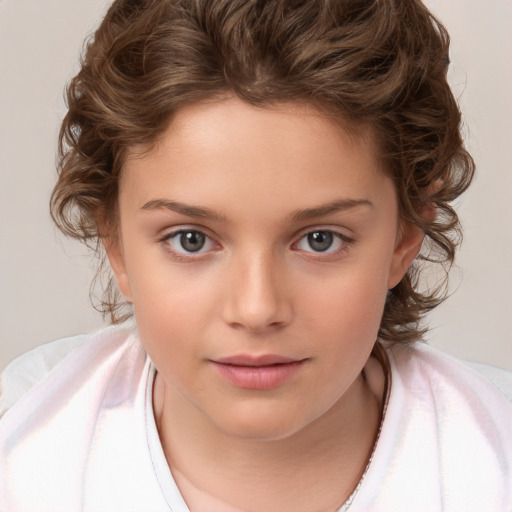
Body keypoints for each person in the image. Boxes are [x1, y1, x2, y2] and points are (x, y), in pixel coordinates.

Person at [0, 0, 510, 510]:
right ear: (116, 242)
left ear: (405, 236)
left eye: (320, 239)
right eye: (191, 239)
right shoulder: (21, 435)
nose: (256, 308)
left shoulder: (494, 457)